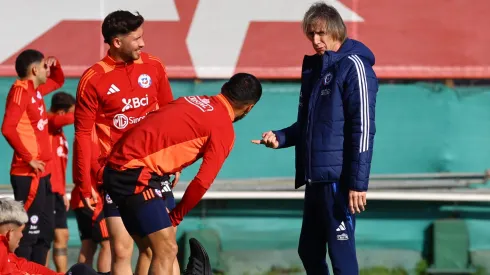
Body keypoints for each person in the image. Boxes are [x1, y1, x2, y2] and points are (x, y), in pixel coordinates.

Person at [252, 2, 378, 274]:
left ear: (336, 30)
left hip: (338, 181)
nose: (316, 41)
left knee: (341, 255)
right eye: (311, 35)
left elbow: (364, 127)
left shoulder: (354, 65)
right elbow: (309, 126)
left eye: (321, 33)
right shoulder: (318, 68)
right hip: (315, 180)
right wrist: (281, 137)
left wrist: (357, 183)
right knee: (308, 251)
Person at [102, 72, 262, 274]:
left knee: (151, 250)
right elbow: (202, 182)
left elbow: (159, 126)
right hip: (135, 174)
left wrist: (174, 165)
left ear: (224, 88)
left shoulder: (193, 100)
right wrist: (177, 216)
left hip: (119, 168)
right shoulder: (223, 129)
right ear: (249, 107)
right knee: (167, 250)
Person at [73, 9, 175, 275]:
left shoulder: (153, 66)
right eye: (136, 38)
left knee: (161, 248)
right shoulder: (93, 79)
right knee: (121, 248)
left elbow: (169, 114)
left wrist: (175, 163)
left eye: (143, 37)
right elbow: (83, 134)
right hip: (117, 175)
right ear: (117, 42)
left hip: (154, 170)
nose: (143, 43)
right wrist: (84, 185)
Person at [1, 49, 65, 265]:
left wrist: (55, 65)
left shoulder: (36, 90)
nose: (48, 70)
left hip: (43, 173)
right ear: (34, 69)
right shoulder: (20, 91)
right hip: (28, 173)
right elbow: (8, 128)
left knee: (44, 234)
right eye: (45, 67)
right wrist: (28, 157)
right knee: (28, 233)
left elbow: (58, 81)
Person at [0, 197, 101, 275]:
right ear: (10, 232)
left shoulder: (6, 252)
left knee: (80, 270)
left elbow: (25, 266)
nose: (22, 235)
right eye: (21, 231)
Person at [70, 130, 111, 274]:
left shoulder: (83, 134)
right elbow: (91, 163)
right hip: (93, 200)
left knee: (89, 245)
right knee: (107, 243)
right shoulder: (90, 132)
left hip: (82, 198)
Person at [46, 91, 75, 273]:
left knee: (62, 235)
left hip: (58, 191)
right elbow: (55, 119)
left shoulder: (59, 133)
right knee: (46, 237)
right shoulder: (48, 122)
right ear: (63, 112)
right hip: (46, 188)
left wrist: (64, 192)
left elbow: (60, 166)